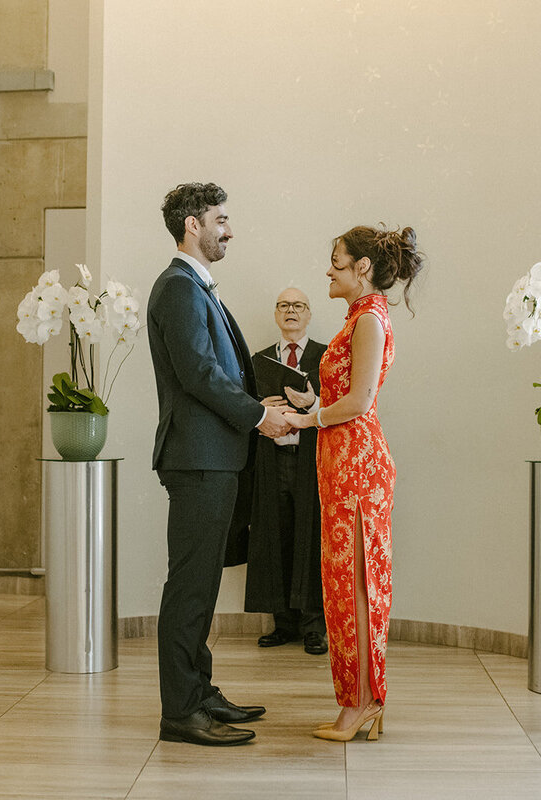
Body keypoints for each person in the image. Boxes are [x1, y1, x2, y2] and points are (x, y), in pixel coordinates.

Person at [146, 182, 293, 747]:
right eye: (220, 218)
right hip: (198, 460)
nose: (228, 229)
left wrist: (261, 406)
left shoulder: (193, 286)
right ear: (192, 225)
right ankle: (180, 711)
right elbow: (200, 376)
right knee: (189, 587)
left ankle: (199, 692)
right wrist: (259, 417)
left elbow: (215, 376)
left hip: (214, 458)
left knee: (201, 583)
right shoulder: (178, 288)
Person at [283, 224, 424, 742]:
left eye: (337, 262)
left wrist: (306, 420)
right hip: (343, 463)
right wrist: (313, 407)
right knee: (343, 587)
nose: (329, 270)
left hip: (358, 466)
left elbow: (361, 403)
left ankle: (363, 702)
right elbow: (347, 399)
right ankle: (357, 699)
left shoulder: (369, 319)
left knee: (359, 586)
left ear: (362, 268)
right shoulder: (359, 319)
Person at [245, 288, 328, 656]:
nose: (291, 311)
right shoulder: (258, 360)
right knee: (274, 534)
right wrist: (258, 407)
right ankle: (283, 624)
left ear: (309, 314)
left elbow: (345, 406)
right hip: (271, 459)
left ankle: (314, 626)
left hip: (312, 460)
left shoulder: (325, 357)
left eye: (298, 306)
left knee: (312, 535)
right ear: (276, 314)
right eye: (283, 305)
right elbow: (243, 406)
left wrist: (313, 402)